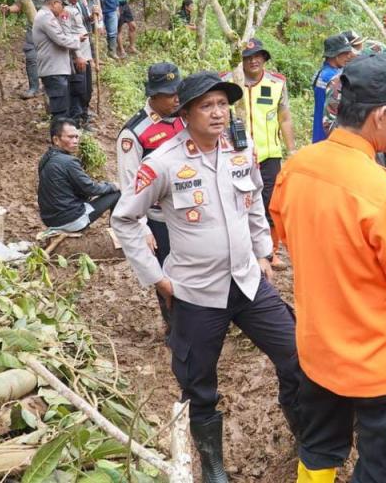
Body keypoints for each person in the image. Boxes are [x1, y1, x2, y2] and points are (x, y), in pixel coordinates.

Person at [111, 72, 301, 482]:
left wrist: (263, 252)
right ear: (185, 113)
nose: (218, 113)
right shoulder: (162, 162)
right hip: (196, 293)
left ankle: (305, 437)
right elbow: (124, 218)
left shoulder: (239, 152)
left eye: (222, 104)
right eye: (206, 106)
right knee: (198, 384)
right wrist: (155, 276)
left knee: (297, 354)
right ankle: (213, 467)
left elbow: (253, 203)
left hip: (248, 283)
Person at [270, 52, 386, 483]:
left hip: (317, 350)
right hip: (376, 361)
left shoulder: (296, 167)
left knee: (318, 449)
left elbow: (284, 231)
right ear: (381, 115)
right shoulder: (381, 191)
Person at [116, 63, 186, 329]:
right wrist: (142, 228)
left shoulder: (185, 117)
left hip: (190, 209)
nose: (176, 99)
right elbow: (129, 185)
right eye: (169, 94)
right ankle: (175, 329)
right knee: (167, 276)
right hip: (159, 218)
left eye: (178, 92)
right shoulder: (134, 133)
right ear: (153, 95)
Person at [221, 39, 294, 270]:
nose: (253, 61)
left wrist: (291, 149)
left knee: (270, 203)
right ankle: (243, 249)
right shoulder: (227, 81)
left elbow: (285, 117)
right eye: (248, 57)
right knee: (239, 201)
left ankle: (271, 252)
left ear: (264, 58)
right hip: (236, 154)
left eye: (258, 56)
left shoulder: (277, 83)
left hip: (269, 154)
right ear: (240, 60)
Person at [37, 117, 119, 232]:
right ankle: (116, 234)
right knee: (117, 194)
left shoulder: (45, 159)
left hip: (50, 220)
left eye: (76, 137)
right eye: (70, 137)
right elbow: (91, 189)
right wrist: (113, 186)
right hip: (70, 220)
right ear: (56, 140)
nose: (75, 141)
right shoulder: (68, 162)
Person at [0, 0, 59, 99]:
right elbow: (18, 6)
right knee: (31, 57)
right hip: (32, 29)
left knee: (49, 58)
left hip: (50, 30)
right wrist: (8, 9)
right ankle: (33, 87)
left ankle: (49, 86)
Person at [32, 0, 85, 121]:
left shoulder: (47, 16)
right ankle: (58, 133)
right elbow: (61, 39)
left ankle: (61, 131)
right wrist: (77, 38)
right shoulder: (46, 17)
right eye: (62, 5)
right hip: (53, 69)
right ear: (54, 3)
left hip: (56, 68)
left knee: (63, 107)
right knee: (60, 110)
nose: (63, 9)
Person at [59, 0, 93, 125]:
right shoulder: (65, 10)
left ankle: (84, 117)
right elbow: (67, 35)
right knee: (78, 90)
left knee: (86, 89)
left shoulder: (76, 6)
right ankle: (76, 122)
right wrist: (77, 56)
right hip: (77, 57)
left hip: (85, 55)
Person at [311, 34, 355, 143]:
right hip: (330, 135)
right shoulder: (335, 78)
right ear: (336, 55)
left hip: (319, 133)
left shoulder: (320, 73)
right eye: (346, 53)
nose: (349, 56)